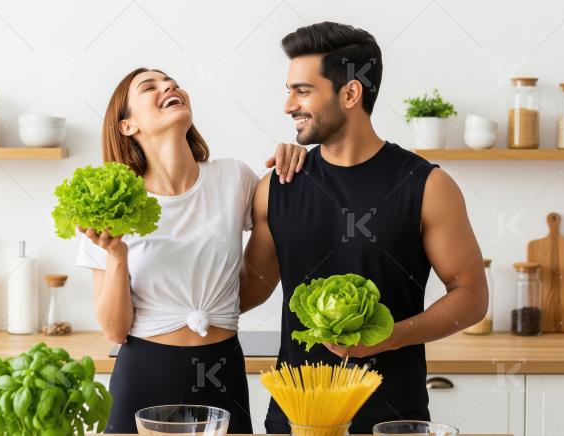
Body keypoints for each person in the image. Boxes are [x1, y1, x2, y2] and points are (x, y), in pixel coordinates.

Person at [239, 22, 489, 433]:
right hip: (295, 419)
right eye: (289, 90)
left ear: (351, 93)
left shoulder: (427, 186)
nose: (288, 105)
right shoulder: (278, 186)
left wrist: (388, 336)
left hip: (394, 420)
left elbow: (472, 297)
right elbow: (248, 291)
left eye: (302, 91)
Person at [75, 67, 307, 434]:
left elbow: (251, 287)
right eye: (149, 87)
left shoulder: (234, 178)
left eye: (172, 82)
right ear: (127, 126)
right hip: (145, 373)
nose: (169, 86)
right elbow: (115, 330)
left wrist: (289, 167)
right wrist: (116, 255)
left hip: (221, 368)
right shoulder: (111, 205)